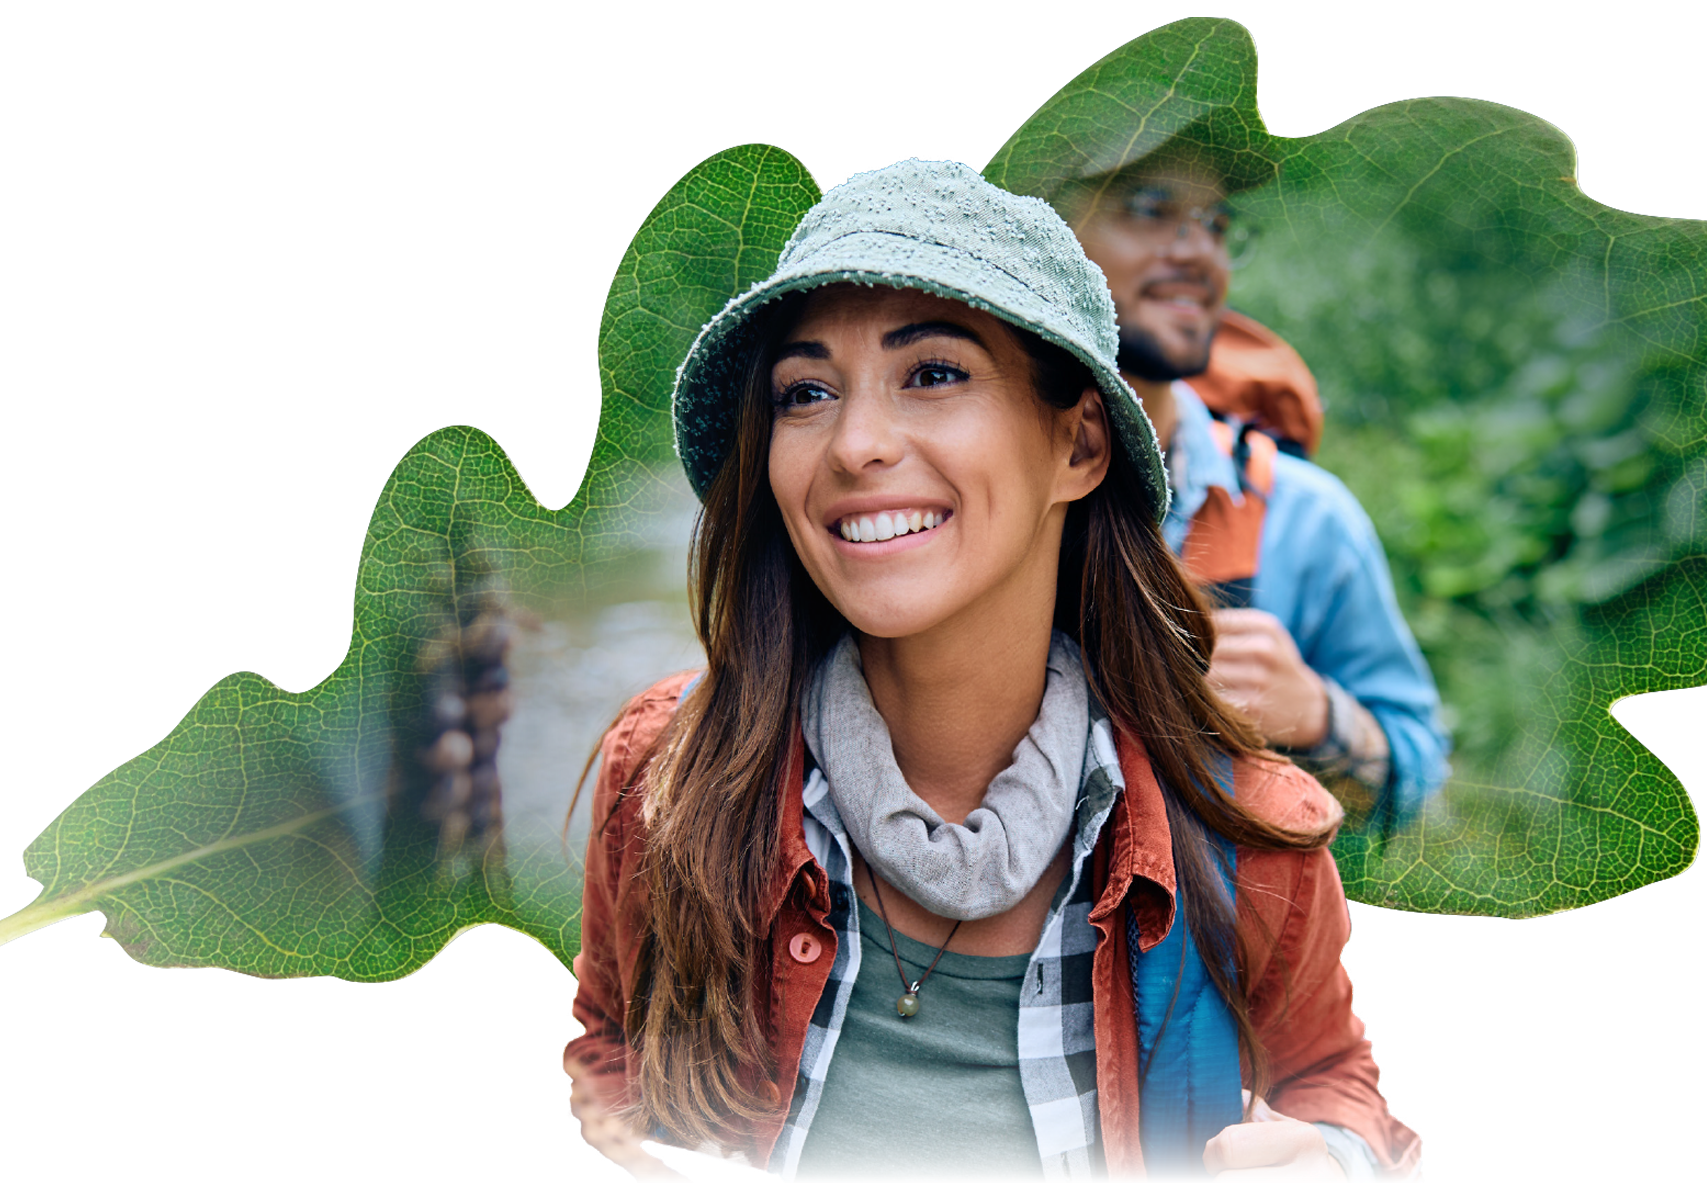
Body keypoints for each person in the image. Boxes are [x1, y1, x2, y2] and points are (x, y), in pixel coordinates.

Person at [562, 158, 1418, 1182]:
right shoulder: (667, 772)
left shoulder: (1249, 836)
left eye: (932, 373)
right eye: (805, 391)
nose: (855, 444)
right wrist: (659, 1163)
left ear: (1080, 444)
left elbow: (1331, 1081)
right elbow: (605, 1046)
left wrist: (1329, 1157)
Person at [1053, 156, 1451, 828]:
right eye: (1149, 210)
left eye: (1214, 224)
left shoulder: (1302, 519)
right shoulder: (954, 499)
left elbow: (1423, 784)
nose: (1199, 253)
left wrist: (1322, 717)